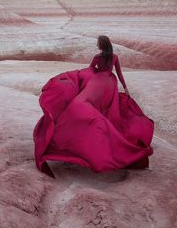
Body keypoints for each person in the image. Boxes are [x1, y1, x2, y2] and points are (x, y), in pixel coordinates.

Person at [33, 35, 154, 177]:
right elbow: (119, 74)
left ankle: (85, 143)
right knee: (107, 111)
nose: (96, 44)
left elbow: (89, 71)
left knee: (84, 107)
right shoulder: (114, 57)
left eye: (98, 43)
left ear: (101, 45)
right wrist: (125, 88)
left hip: (99, 82)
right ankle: (111, 143)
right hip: (110, 84)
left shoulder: (97, 57)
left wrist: (75, 78)